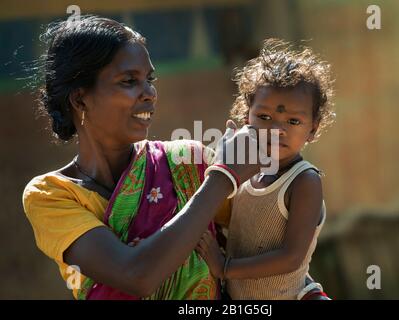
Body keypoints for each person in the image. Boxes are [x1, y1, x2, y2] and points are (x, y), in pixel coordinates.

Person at [22, 15, 260, 300]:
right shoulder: (51, 195)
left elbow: (265, 239)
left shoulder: (188, 163)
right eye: (129, 81)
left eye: (150, 79)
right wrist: (222, 179)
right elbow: (135, 276)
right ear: (80, 99)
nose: (149, 93)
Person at [196, 39, 335, 300]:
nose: (277, 130)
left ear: (313, 129)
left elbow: (291, 258)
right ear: (246, 116)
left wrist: (224, 267)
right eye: (265, 117)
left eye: (293, 121)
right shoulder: (242, 174)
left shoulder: (304, 181)